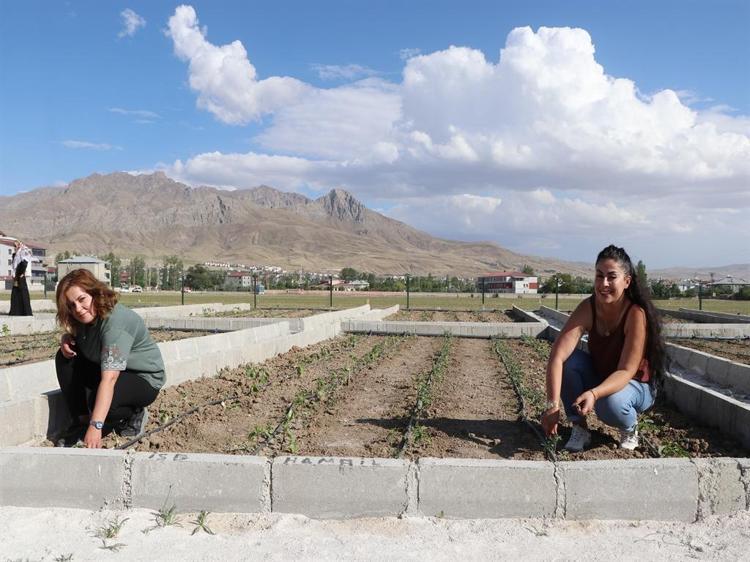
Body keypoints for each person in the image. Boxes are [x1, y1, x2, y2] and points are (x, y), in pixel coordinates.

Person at [541, 244, 664, 452]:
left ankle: (630, 427)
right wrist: (551, 406)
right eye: (599, 276)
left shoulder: (635, 314)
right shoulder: (588, 307)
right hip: (603, 376)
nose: (604, 283)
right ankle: (580, 428)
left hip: (636, 386)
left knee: (609, 404)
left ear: (627, 281)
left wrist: (594, 393)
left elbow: (626, 371)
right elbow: (557, 356)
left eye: (611, 277)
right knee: (569, 362)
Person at [54, 268, 165, 448]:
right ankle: (81, 422)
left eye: (82, 300)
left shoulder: (115, 324)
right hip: (108, 368)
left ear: (95, 293)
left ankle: (134, 413)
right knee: (65, 358)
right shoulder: (84, 319)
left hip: (142, 377)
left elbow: (110, 379)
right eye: (71, 305)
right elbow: (79, 341)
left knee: (105, 405)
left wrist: (96, 426)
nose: (78, 309)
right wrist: (67, 338)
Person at [9, 239, 34, 316]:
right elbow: (14, 266)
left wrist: (22, 273)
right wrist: (14, 275)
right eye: (14, 246)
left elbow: (24, 263)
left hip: (21, 275)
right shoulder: (15, 254)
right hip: (16, 276)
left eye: (16, 245)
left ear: (19, 245)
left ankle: (26, 312)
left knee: (23, 294)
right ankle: (16, 312)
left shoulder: (22, 252)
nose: (14, 247)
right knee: (15, 294)